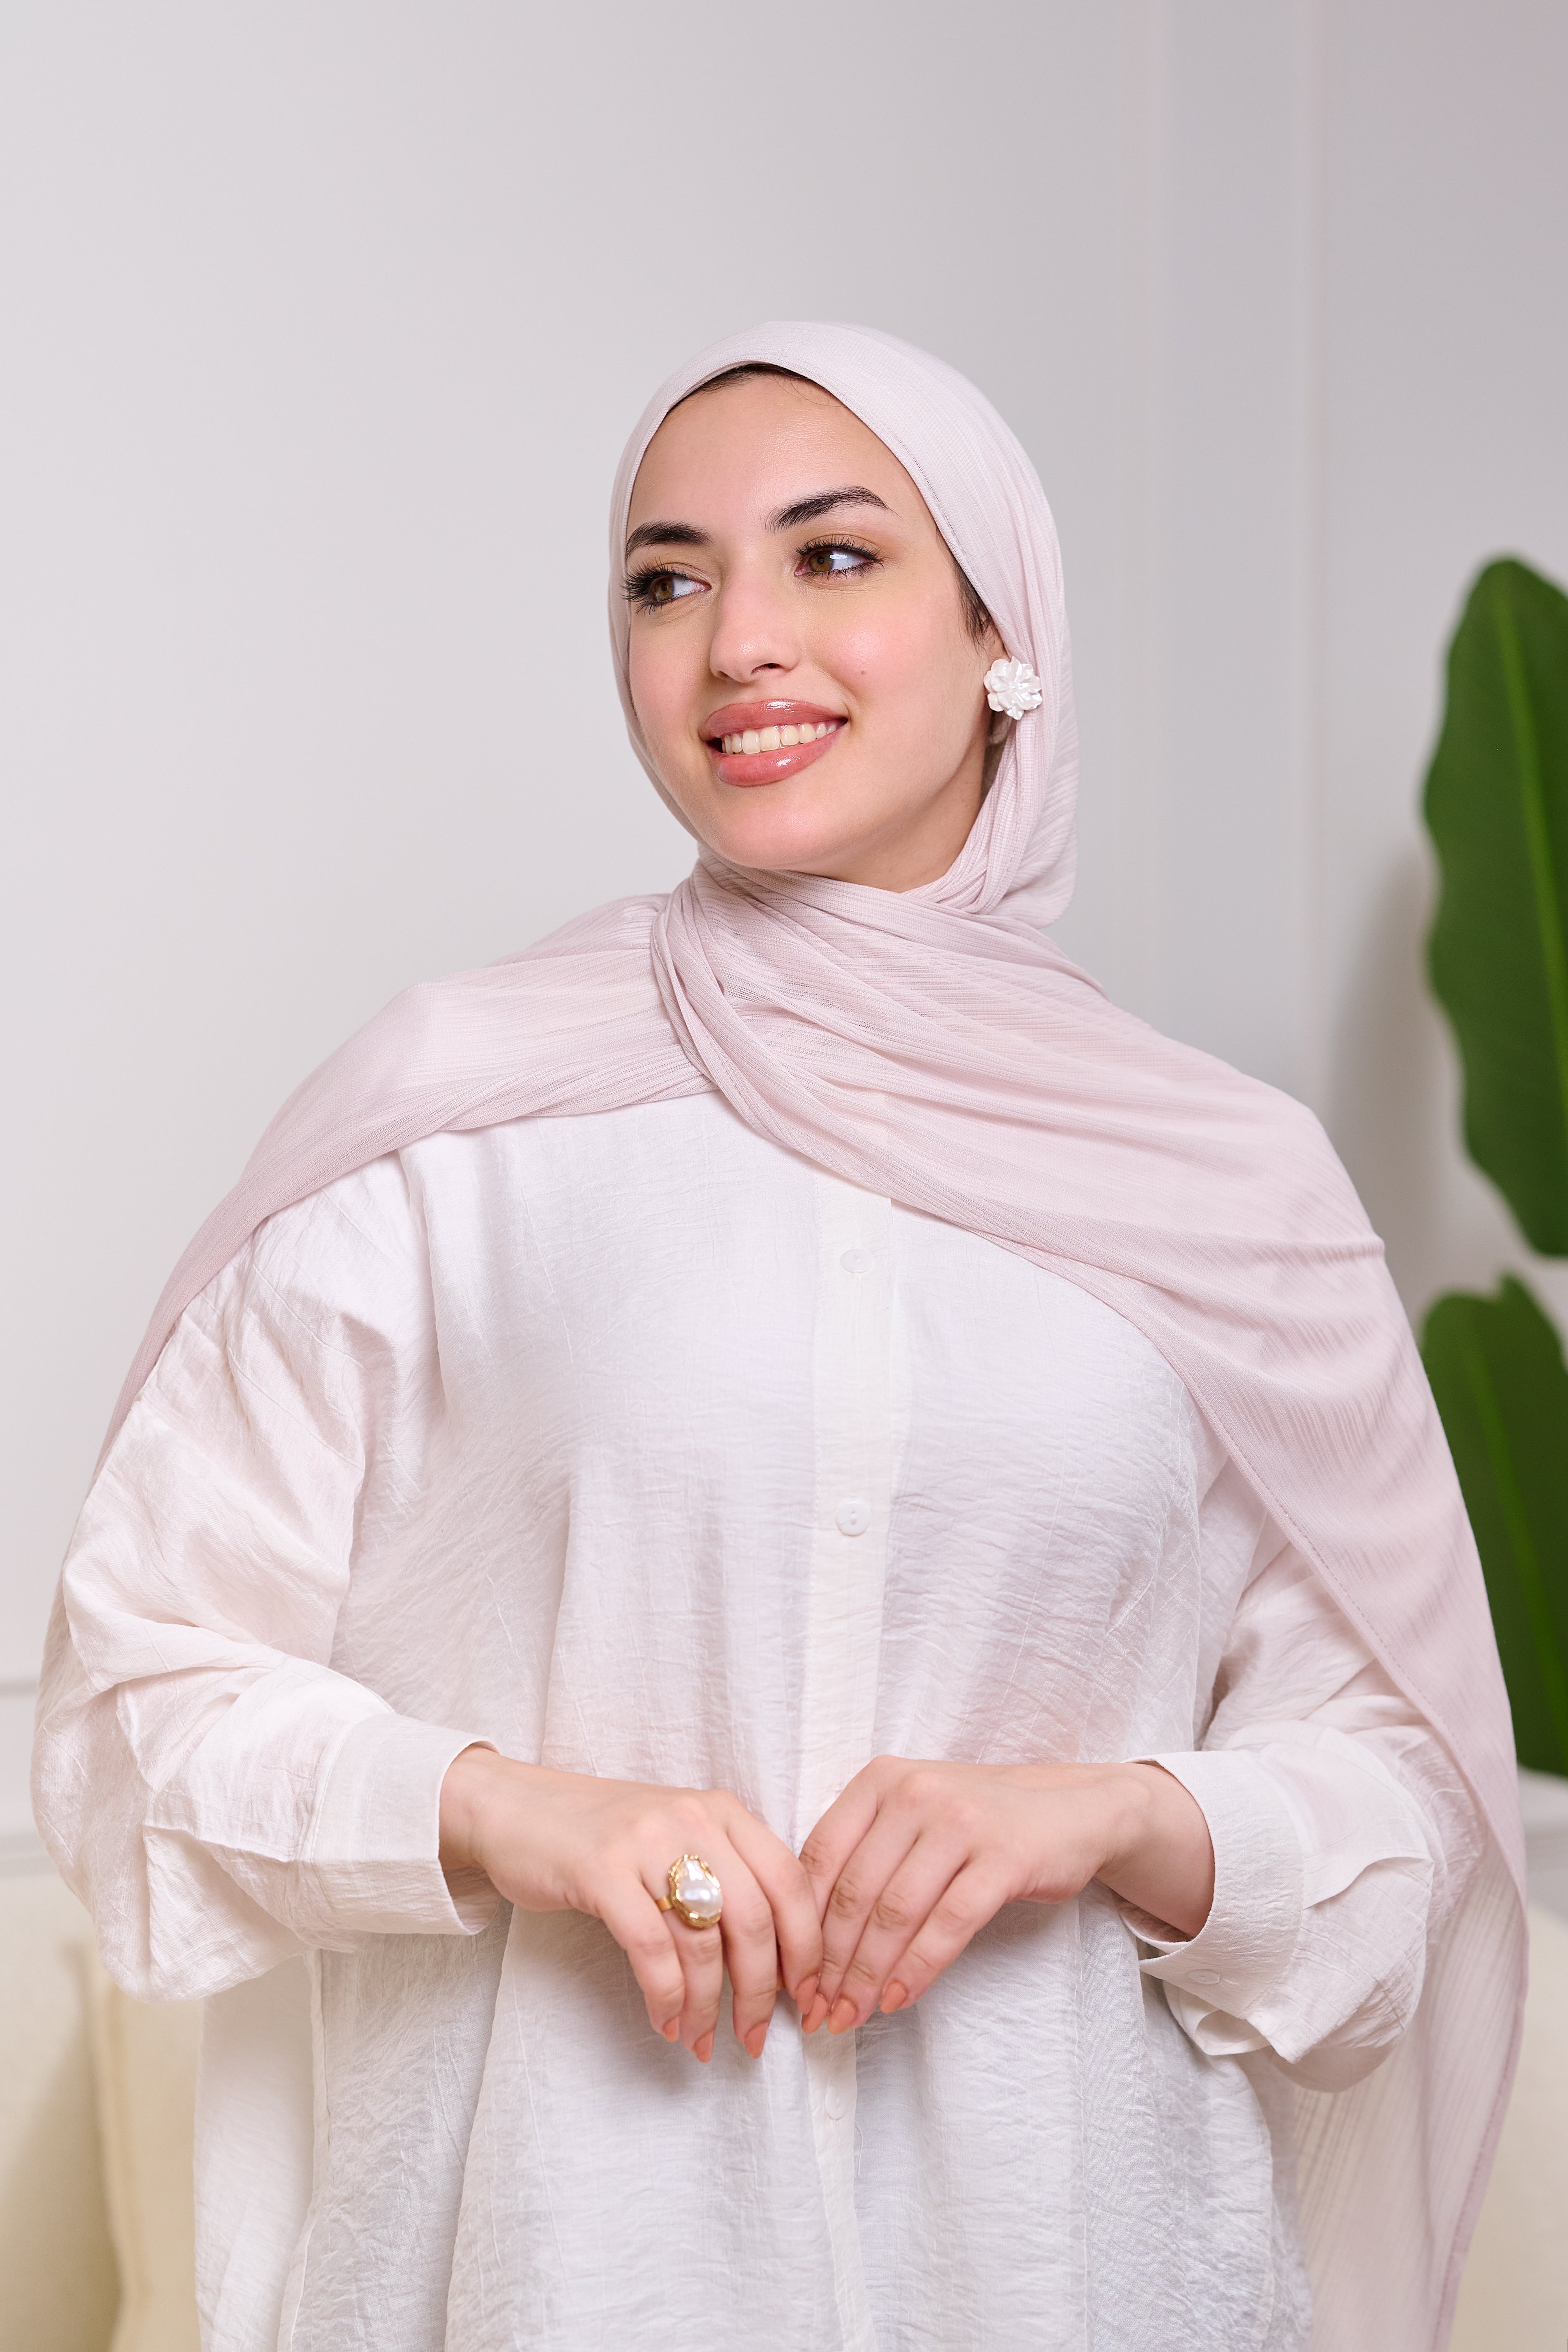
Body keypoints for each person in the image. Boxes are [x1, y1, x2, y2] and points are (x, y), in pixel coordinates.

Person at [34, 323, 1523, 2352]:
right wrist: (515, 1807)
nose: (738, 640)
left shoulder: (1227, 1185)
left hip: (1069, 2280)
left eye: (832, 556)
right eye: (666, 579)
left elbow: (1399, 1821)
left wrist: (1109, 1812)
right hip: (559, 2280)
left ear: (1001, 633)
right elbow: (136, 1708)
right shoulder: (449, 1120)